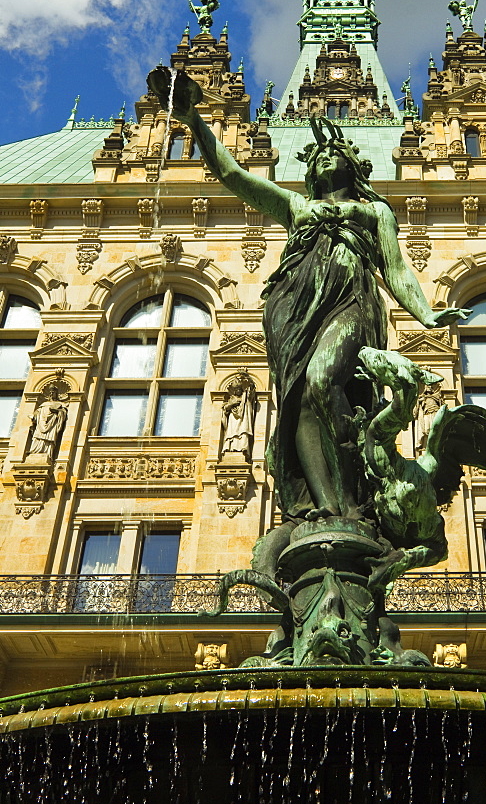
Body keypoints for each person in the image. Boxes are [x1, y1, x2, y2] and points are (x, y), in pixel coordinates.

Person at [147, 68, 469, 522]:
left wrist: (426, 314)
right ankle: (323, 504)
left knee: (322, 379)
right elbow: (232, 174)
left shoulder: (374, 210)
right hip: (295, 304)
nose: (322, 160)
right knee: (297, 397)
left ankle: (353, 484)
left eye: (331, 153)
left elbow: (396, 269)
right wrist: (194, 120)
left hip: (351, 299)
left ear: (351, 165)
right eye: (315, 157)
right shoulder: (296, 205)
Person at [28, 384, 67, 463]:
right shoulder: (43, 404)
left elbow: (63, 413)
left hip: (52, 425)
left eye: (53, 392)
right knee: (37, 438)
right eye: (50, 392)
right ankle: (34, 451)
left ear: (57, 394)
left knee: (49, 440)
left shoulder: (60, 404)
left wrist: (57, 411)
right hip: (41, 424)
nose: (51, 394)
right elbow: (37, 413)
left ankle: (47, 454)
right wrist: (34, 417)